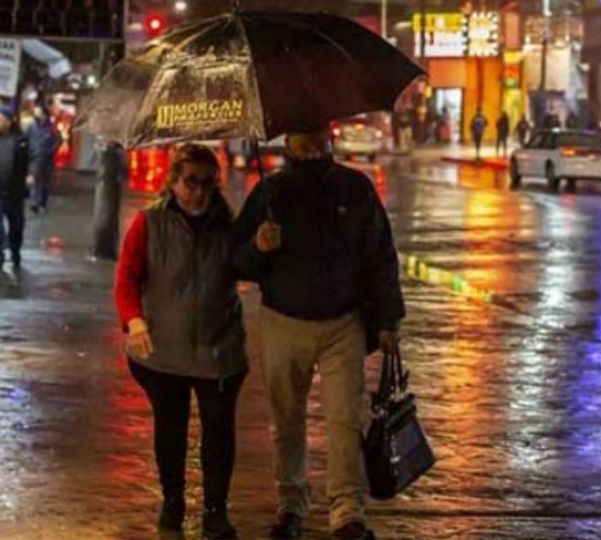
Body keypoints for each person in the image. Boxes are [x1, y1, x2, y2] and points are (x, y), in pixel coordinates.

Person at [232, 128, 405, 540]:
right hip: (283, 322)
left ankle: (347, 513)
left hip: (342, 323)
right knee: (286, 420)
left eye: (316, 135)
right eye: (301, 136)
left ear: (329, 138)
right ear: (287, 142)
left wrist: (387, 318)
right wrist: (258, 246)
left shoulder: (354, 188)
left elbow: (380, 253)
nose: (310, 145)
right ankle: (291, 505)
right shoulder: (269, 193)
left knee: (345, 419)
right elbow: (235, 260)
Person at [115, 144, 246, 539]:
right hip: (163, 351)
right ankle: (172, 502)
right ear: (172, 182)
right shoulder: (149, 223)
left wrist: (262, 247)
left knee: (218, 431)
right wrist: (134, 320)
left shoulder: (229, 226)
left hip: (218, 348)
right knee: (169, 428)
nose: (199, 192)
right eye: (191, 182)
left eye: (208, 183)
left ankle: (215, 510)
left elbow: (252, 268)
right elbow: (127, 278)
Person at [0, 106, 28, 269]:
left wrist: (31, 175)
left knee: (16, 226)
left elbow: (31, 160)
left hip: (15, 191)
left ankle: (15, 251)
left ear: (9, 121)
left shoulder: (21, 140)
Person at [26, 103, 62, 214]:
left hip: (46, 159)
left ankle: (41, 203)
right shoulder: (31, 127)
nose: (36, 113)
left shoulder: (52, 128)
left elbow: (58, 141)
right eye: (35, 111)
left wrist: (50, 150)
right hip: (33, 158)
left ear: (44, 114)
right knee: (34, 179)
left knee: (43, 182)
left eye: (38, 111)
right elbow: (26, 139)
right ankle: (35, 202)